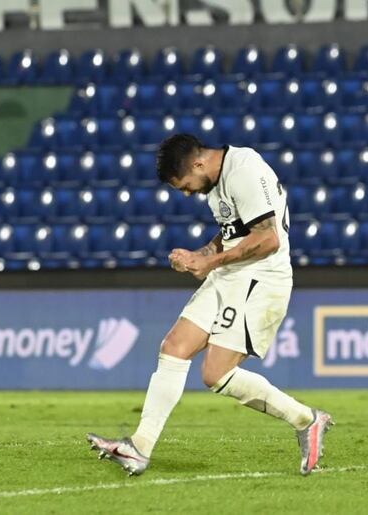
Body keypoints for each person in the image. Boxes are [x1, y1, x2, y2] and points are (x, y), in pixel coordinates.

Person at [87, 134, 333, 475]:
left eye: (186, 185)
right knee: (174, 346)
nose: (188, 192)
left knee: (215, 374)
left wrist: (210, 264)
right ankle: (139, 448)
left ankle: (306, 420)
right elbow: (233, 232)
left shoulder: (243, 169)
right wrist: (199, 255)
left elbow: (268, 239)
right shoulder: (216, 181)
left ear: (199, 163)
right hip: (231, 274)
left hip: (261, 279)